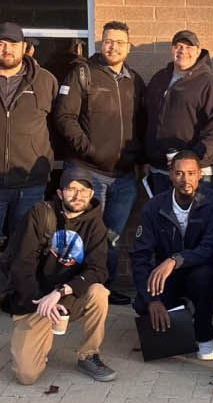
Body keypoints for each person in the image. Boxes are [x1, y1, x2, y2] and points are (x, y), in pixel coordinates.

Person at [0, 22, 60, 327]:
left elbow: (57, 125)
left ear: (24, 48)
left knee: (27, 246)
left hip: (30, 181)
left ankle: (21, 296)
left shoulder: (45, 80)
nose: (7, 49)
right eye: (1, 43)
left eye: (13, 44)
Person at [54, 20, 148, 307]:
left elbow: (142, 124)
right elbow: (64, 117)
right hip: (87, 172)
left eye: (120, 42)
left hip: (123, 176)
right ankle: (69, 292)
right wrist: (90, 150)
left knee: (111, 237)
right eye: (108, 41)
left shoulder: (135, 80)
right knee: (80, 234)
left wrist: (140, 159)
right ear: (100, 43)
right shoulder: (82, 74)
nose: (113, 46)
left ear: (128, 47)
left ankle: (100, 292)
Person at [1, 171, 115, 384]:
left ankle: (89, 354)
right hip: (35, 299)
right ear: (60, 193)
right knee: (26, 375)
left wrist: (61, 292)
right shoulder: (40, 214)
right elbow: (21, 267)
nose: (77, 195)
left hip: (66, 296)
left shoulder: (95, 223)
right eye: (72, 189)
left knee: (99, 292)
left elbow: (98, 269)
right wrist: (43, 301)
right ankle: (38, 341)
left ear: (91, 194)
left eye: (84, 190)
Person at [131, 150, 213, 360]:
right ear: (170, 175)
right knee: (141, 303)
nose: (186, 180)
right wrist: (152, 299)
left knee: (203, 278)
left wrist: (175, 260)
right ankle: (177, 317)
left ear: (200, 175)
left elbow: (209, 248)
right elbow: (140, 255)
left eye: (191, 173)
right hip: (169, 275)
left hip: (200, 270)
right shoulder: (154, 206)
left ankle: (204, 334)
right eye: (180, 173)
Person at [141, 30, 213, 196]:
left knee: (196, 220)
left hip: (197, 174)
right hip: (160, 170)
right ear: (171, 50)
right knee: (163, 219)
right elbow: (147, 119)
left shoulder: (210, 84)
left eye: (189, 47)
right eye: (178, 46)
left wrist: (193, 158)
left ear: (198, 51)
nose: (183, 51)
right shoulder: (159, 79)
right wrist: (146, 157)